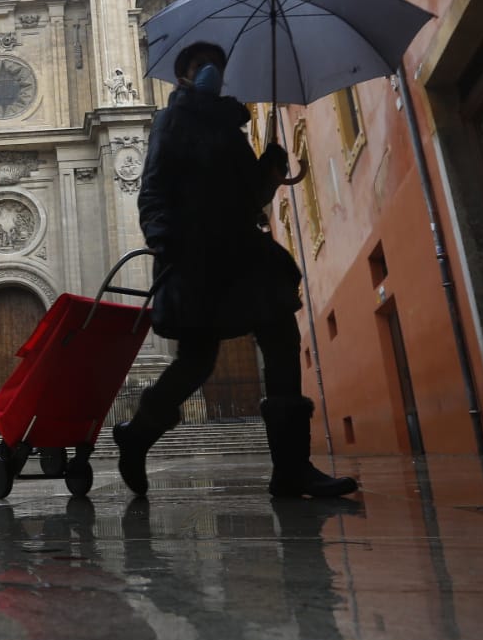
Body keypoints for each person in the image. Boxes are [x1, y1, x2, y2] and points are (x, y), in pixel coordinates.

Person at [114, 41, 358, 499]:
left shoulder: (233, 127)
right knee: (197, 361)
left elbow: (251, 200)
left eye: (216, 67)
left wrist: (269, 169)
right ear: (184, 74)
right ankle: (138, 433)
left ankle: (291, 468)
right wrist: (169, 243)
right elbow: (152, 192)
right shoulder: (172, 120)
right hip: (196, 255)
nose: (209, 72)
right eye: (199, 65)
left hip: (245, 253)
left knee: (282, 339)